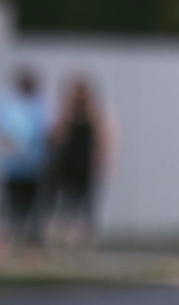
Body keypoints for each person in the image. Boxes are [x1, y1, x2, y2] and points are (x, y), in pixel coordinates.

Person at [46, 75, 111, 257]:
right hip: (66, 167)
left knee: (87, 208)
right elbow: (56, 139)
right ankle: (63, 243)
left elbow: (102, 140)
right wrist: (67, 111)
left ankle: (85, 245)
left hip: (85, 169)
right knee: (66, 206)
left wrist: (102, 164)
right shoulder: (66, 116)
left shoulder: (95, 116)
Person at [0, 66, 49, 254]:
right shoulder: (6, 103)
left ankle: (29, 245)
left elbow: (47, 131)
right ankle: (7, 243)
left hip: (34, 167)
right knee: (9, 208)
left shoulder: (40, 104)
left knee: (32, 207)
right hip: (11, 167)